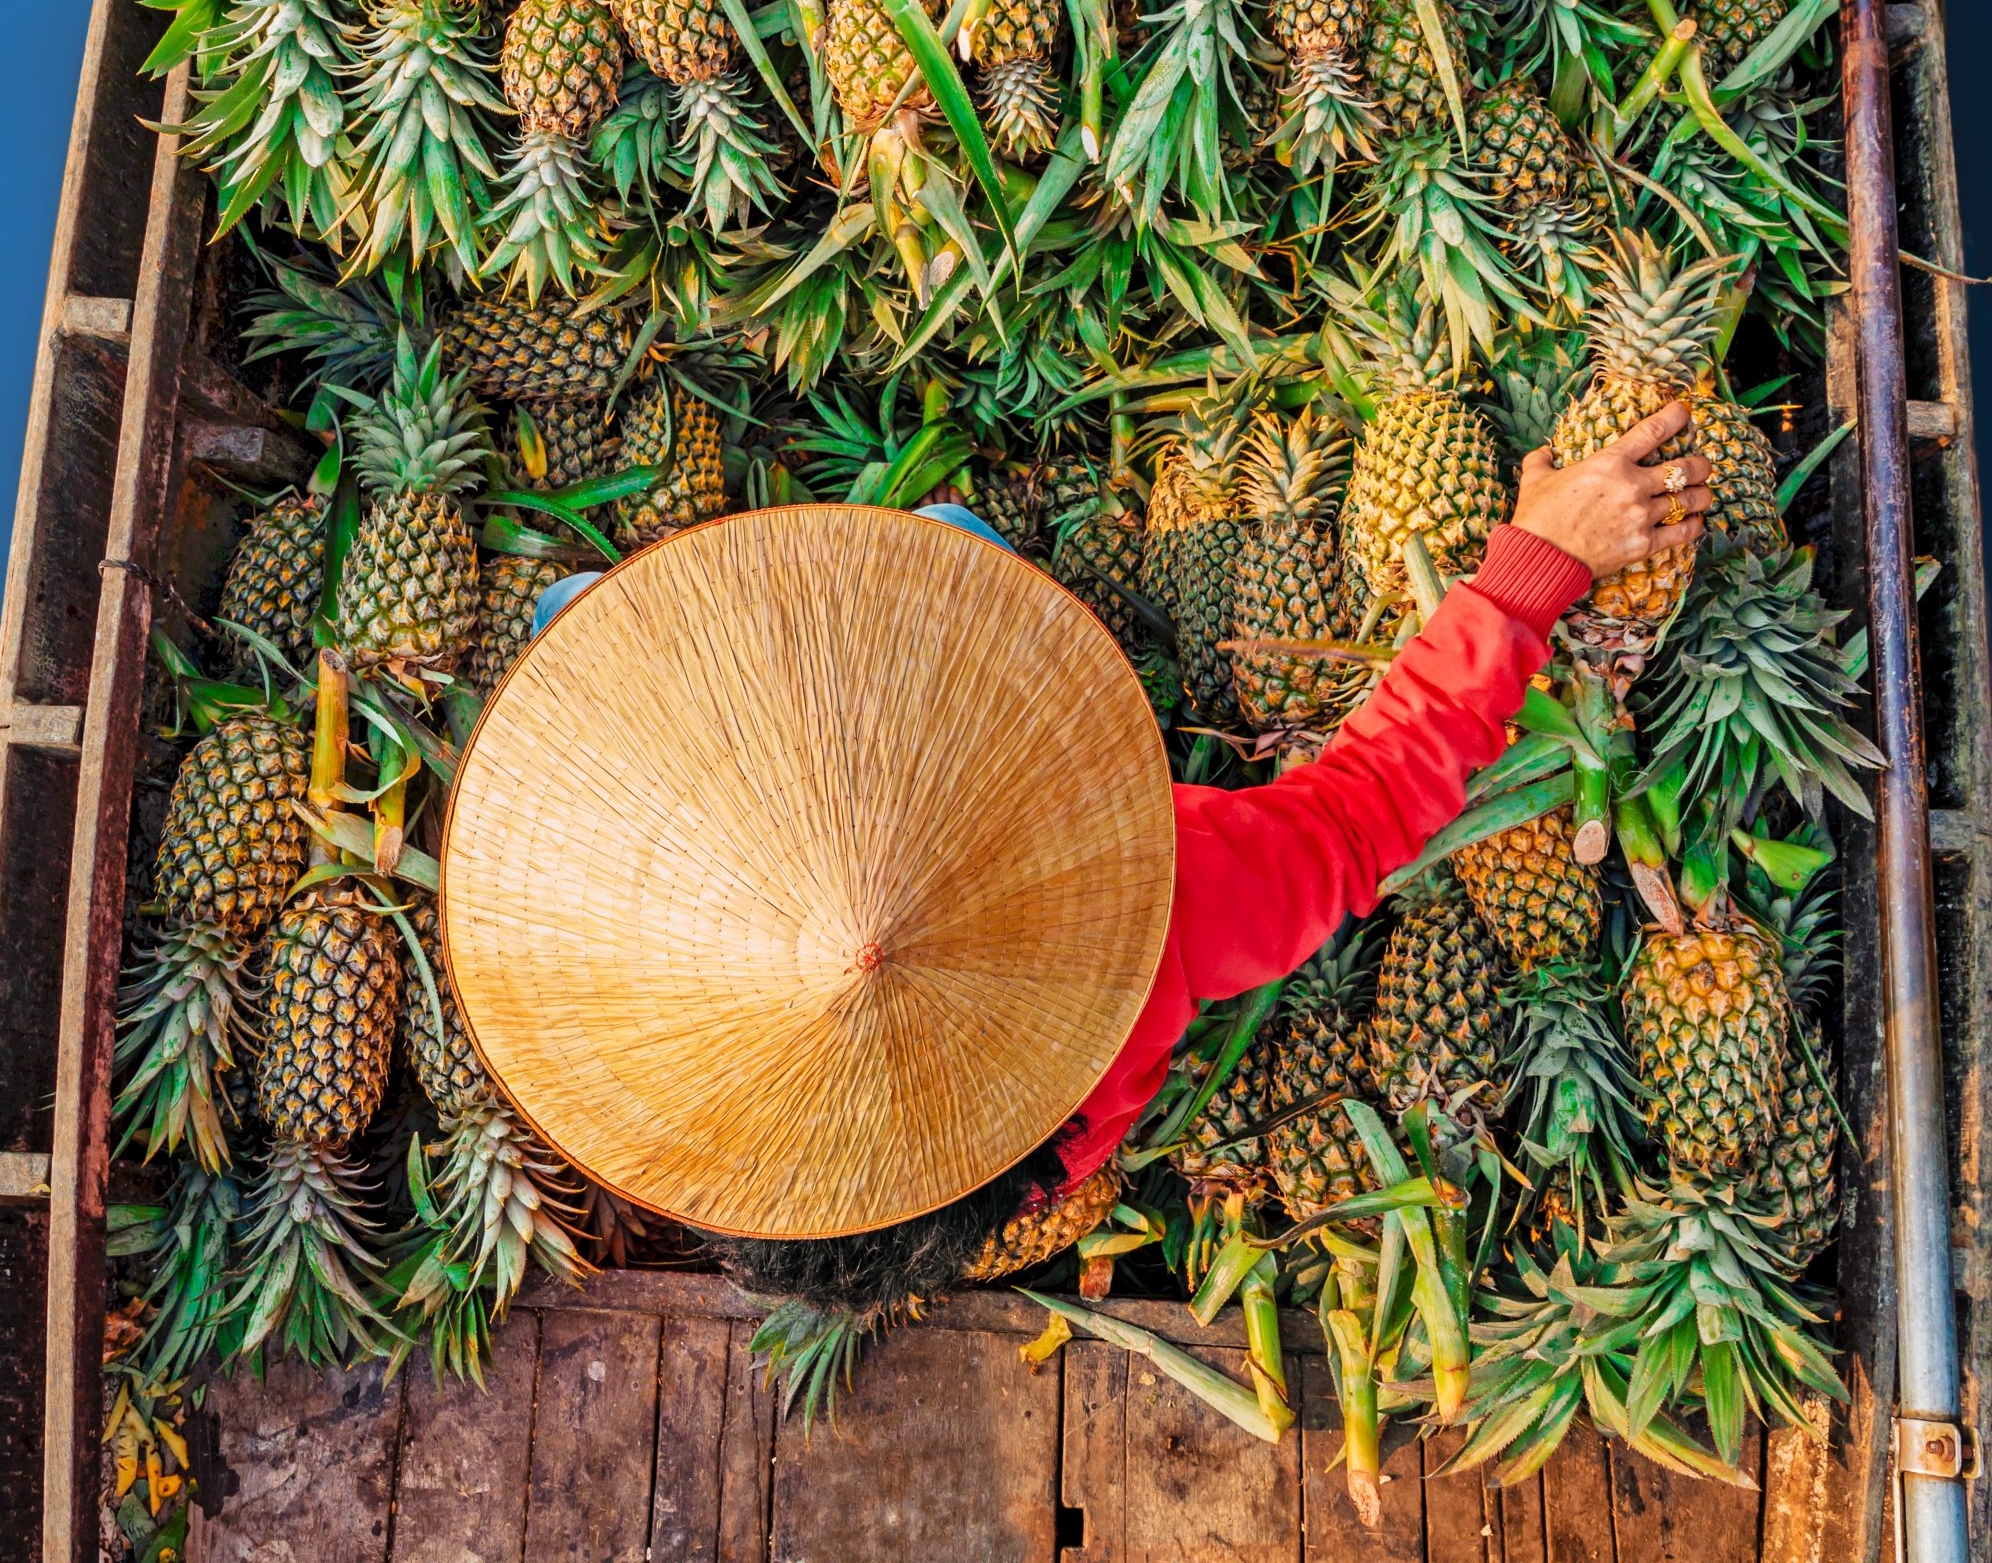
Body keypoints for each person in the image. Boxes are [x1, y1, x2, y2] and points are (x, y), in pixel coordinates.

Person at [566, 402, 1707, 1319]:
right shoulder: (1144, 894)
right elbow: (1358, 810)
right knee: (947, 548)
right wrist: (1529, 567)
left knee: (576, 615)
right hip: (865, 732)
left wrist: (1533, 565)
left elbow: (1365, 819)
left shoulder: (631, 994)